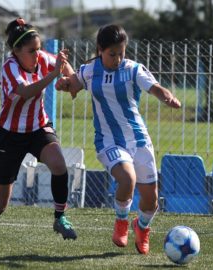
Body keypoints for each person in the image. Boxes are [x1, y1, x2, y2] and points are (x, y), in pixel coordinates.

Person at [56, 24, 181, 255]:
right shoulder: (90, 70)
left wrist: (168, 96)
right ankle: (122, 221)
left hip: (139, 139)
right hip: (108, 141)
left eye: (121, 53)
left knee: (151, 198)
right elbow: (73, 83)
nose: (117, 58)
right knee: (127, 179)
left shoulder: (133, 70)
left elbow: (154, 88)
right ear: (100, 50)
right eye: (112, 54)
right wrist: (64, 84)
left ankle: (141, 227)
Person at [0, 17, 77, 250]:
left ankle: (60, 218)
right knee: (1, 201)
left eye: (38, 49)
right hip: (10, 135)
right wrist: (54, 76)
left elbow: (64, 68)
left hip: (38, 128)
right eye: (31, 51)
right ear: (16, 51)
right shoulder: (9, 67)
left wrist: (68, 81)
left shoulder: (41, 58)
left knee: (59, 164)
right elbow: (26, 91)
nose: (38, 54)